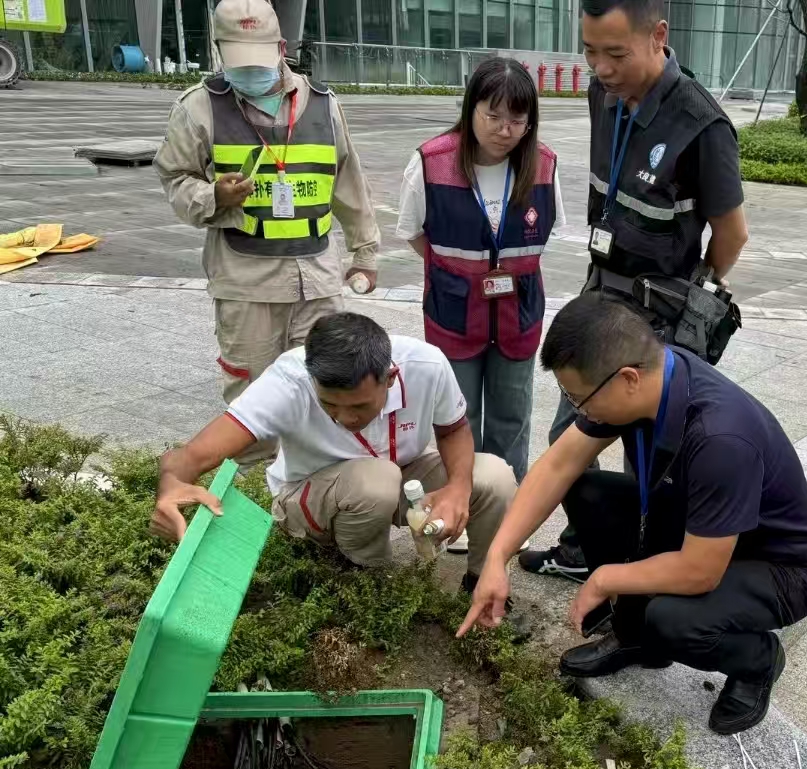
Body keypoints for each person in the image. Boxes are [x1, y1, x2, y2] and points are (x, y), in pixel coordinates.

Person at [458, 293, 807, 734]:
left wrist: (604, 578)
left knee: (671, 619)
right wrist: (496, 558)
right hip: (700, 529)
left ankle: (758, 661)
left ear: (628, 379)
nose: (578, 410)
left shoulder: (719, 438)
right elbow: (558, 466)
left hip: (777, 566)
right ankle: (635, 639)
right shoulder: (652, 379)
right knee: (586, 491)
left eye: (579, 398)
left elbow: (699, 572)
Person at [520, 0, 749, 583]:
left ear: (658, 36)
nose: (601, 68)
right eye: (590, 52)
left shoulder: (702, 125)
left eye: (615, 53)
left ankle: (637, 569)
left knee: (646, 452)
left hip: (656, 319)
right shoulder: (605, 95)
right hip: (601, 298)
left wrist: (693, 291)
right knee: (569, 433)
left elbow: (732, 234)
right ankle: (584, 548)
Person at [149, 312, 517, 593]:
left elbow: (453, 430)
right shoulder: (288, 381)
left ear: (390, 378)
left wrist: (458, 489)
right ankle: (368, 585)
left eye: (358, 406)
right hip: (311, 495)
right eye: (329, 404)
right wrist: (170, 488)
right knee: (377, 481)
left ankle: (483, 583)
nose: (344, 417)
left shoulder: (427, 365)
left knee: (494, 477)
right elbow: (189, 457)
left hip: (397, 477)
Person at [155, 0, 380, 459]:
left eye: (259, 59)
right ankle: (258, 492)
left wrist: (365, 252)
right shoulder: (198, 108)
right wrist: (213, 196)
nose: (251, 71)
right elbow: (175, 180)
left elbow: (349, 183)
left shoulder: (323, 105)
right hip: (246, 283)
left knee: (327, 395)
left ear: (280, 47)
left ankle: (320, 490)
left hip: (317, 279)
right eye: (239, 61)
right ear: (219, 51)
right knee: (252, 405)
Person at [396, 57, 567, 554]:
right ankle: (462, 509)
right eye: (493, 115)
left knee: (513, 418)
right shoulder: (431, 162)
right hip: (454, 314)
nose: (504, 129)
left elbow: (547, 234)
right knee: (458, 417)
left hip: (518, 315)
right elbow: (414, 233)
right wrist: (460, 274)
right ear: (471, 108)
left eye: (517, 119)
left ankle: (506, 516)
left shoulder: (544, 165)